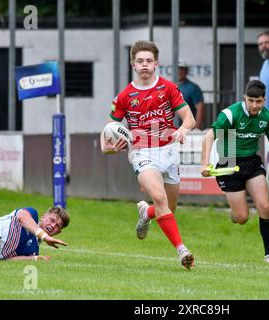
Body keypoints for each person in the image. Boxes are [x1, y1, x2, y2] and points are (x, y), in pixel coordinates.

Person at [100, 40, 196, 270]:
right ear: (133, 64)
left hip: (169, 151)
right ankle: (182, 250)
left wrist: (183, 129)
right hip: (142, 152)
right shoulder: (124, 96)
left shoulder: (168, 88)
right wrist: (109, 148)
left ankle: (146, 212)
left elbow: (189, 118)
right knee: (160, 197)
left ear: (156, 64)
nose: (145, 65)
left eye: (149, 61)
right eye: (140, 61)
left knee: (169, 208)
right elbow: (108, 132)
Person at [201, 80, 269, 264]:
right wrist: (205, 164)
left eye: (259, 101)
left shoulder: (267, 117)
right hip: (228, 159)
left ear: (264, 100)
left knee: (265, 207)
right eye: (251, 101)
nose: (254, 105)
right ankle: (235, 212)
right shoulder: (231, 114)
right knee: (242, 218)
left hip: (252, 161)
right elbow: (209, 136)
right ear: (244, 98)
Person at [0, 206, 69, 261]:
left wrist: (35, 258)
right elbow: (21, 217)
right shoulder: (31, 215)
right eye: (52, 220)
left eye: (57, 226)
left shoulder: (33, 250)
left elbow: (10, 260)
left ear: (58, 232)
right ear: (43, 216)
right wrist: (44, 237)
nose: (53, 225)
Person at [177, 59, 205, 130]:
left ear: (187, 71)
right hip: (172, 130)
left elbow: (200, 108)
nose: (179, 72)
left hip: (188, 130)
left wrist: (196, 129)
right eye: (177, 69)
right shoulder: (169, 86)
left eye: (182, 69)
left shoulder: (193, 87)